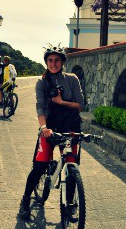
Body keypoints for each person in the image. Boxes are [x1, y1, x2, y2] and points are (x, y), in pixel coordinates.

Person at [18, 45, 84, 219]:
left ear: (63, 62)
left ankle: (70, 204)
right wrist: (43, 128)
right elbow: (41, 106)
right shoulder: (42, 82)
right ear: (46, 63)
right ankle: (25, 199)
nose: (53, 63)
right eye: (50, 60)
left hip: (71, 127)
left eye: (57, 60)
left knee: (71, 168)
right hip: (50, 128)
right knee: (39, 166)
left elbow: (80, 105)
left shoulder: (72, 79)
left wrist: (61, 102)